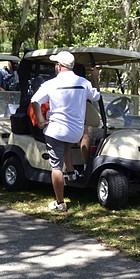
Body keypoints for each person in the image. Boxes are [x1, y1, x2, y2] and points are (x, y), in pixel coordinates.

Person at [30, 50, 100, 212]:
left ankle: (60, 203)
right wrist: (95, 78)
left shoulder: (50, 84)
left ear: (59, 66)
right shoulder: (83, 82)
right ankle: (71, 173)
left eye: (56, 64)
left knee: (56, 166)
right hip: (75, 132)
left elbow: (34, 101)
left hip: (56, 130)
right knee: (67, 146)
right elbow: (96, 96)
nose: (55, 66)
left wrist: (40, 120)